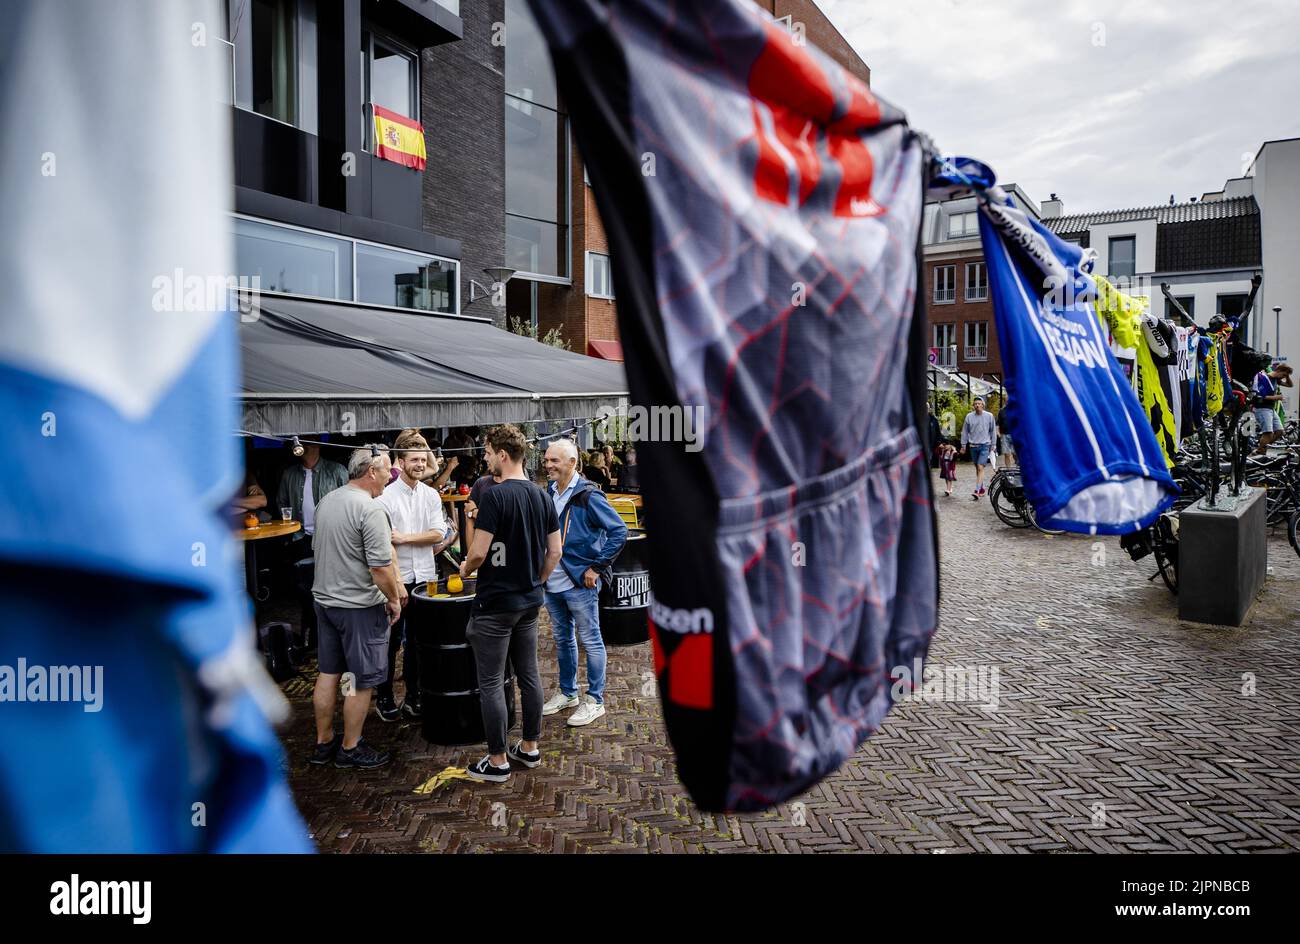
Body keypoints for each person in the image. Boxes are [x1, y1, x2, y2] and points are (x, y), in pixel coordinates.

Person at [458, 425, 562, 782]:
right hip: (530, 603)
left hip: (495, 605)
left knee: (491, 682)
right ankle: (530, 748)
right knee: (529, 675)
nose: (485, 459)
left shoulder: (495, 497)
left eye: (487, 453)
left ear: (503, 454)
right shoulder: (542, 496)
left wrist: (465, 565)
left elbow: (478, 552)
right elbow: (555, 551)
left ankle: (497, 760)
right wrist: (537, 580)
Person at [309, 446, 407, 770]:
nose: (390, 477)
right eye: (388, 471)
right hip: (358, 608)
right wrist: (394, 600)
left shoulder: (327, 501)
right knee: (361, 679)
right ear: (371, 472)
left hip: (325, 603)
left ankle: (324, 744)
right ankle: (350, 748)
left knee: (329, 673)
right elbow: (380, 568)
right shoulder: (371, 509)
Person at [541, 438, 628, 726]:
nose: (548, 464)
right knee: (563, 639)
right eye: (547, 459)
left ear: (572, 463)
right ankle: (568, 693)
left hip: (580, 582)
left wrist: (597, 567)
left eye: (554, 460)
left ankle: (596, 700)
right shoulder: (549, 491)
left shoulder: (589, 496)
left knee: (591, 640)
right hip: (552, 582)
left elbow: (619, 531)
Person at [375, 430, 447, 721]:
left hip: (426, 577)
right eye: (413, 460)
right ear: (400, 462)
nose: (420, 464)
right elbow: (382, 542)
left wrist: (404, 538)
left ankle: (414, 696)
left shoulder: (430, 494)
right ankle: (385, 697)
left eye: (422, 459)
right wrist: (417, 538)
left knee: (419, 641)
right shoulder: (386, 497)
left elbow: (439, 533)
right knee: (390, 642)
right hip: (397, 579)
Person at [276, 442, 348, 559]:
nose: (301, 445)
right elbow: (281, 502)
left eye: (306, 441)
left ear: (317, 444)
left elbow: (349, 504)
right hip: (299, 536)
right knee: (302, 573)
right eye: (300, 442)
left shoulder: (337, 470)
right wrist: (291, 526)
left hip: (330, 538)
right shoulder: (289, 474)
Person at [960, 397, 996, 499]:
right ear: (973, 405)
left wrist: (993, 445)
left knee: (980, 467)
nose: (977, 405)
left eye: (979, 403)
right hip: (973, 446)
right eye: (975, 404)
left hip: (985, 445)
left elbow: (993, 431)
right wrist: (963, 445)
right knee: (977, 468)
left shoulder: (989, 416)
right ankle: (982, 488)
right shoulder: (969, 417)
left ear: (983, 405)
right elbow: (965, 432)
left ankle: (977, 490)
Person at [1253, 363, 1293, 453]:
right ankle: (1261, 450)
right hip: (1262, 408)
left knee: (1280, 431)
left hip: (1271, 408)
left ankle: (1260, 447)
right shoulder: (1265, 378)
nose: (1283, 377)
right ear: (1278, 371)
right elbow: (1261, 396)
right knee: (1268, 433)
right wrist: (1277, 397)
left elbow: (1290, 385)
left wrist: (1287, 376)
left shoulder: (1276, 379)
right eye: (1283, 375)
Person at [996, 401, 1016, 468]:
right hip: (1004, 435)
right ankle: (1008, 469)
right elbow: (998, 423)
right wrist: (998, 432)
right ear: (1005, 402)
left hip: (1015, 435)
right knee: (1006, 454)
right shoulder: (1001, 411)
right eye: (1007, 401)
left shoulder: (1016, 410)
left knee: (1015, 453)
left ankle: (1018, 466)